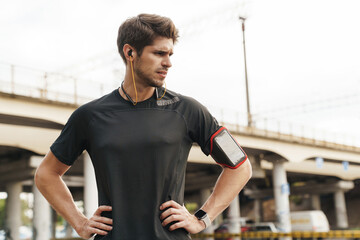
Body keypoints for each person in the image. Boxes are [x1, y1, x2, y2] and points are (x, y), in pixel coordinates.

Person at [35, 13, 252, 240]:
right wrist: (79, 222)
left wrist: (202, 218)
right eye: (159, 53)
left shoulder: (189, 110)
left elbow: (240, 165)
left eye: (169, 54)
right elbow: (46, 174)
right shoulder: (89, 116)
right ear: (130, 52)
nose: (168, 62)